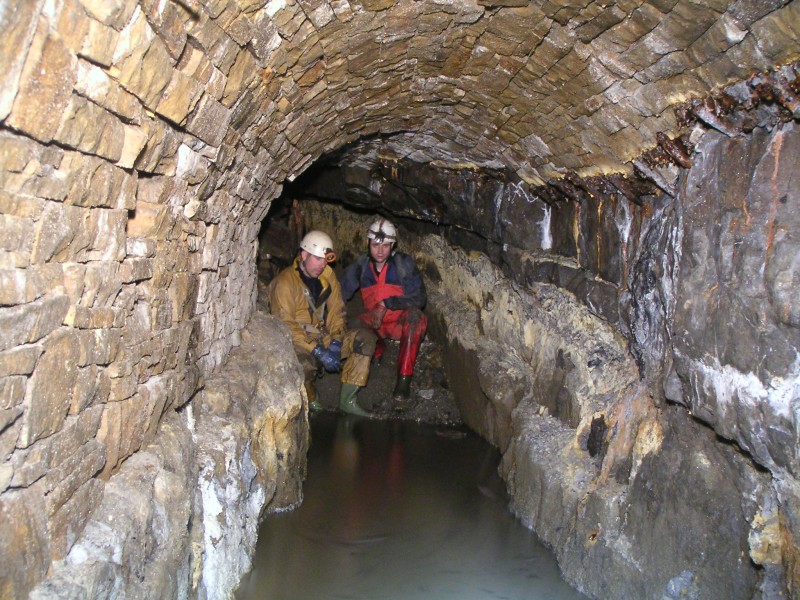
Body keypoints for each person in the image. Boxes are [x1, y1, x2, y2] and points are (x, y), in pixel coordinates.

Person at [269, 230, 377, 417]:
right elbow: (285, 325)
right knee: (303, 366)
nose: (322, 264)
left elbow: (337, 311)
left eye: (325, 260)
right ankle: (311, 400)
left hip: (322, 335)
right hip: (299, 342)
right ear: (304, 255)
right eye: (318, 259)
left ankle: (347, 401)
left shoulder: (327, 276)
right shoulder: (285, 282)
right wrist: (317, 351)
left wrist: (336, 341)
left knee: (365, 339)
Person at [341, 218, 428, 401]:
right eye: (375, 245)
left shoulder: (403, 264)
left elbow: (419, 298)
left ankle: (404, 380)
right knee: (351, 324)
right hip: (375, 323)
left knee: (416, 318)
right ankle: (377, 351)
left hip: (398, 322)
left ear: (393, 245)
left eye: (386, 246)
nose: (380, 251)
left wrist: (386, 304)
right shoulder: (361, 266)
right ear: (367, 243)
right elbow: (341, 293)